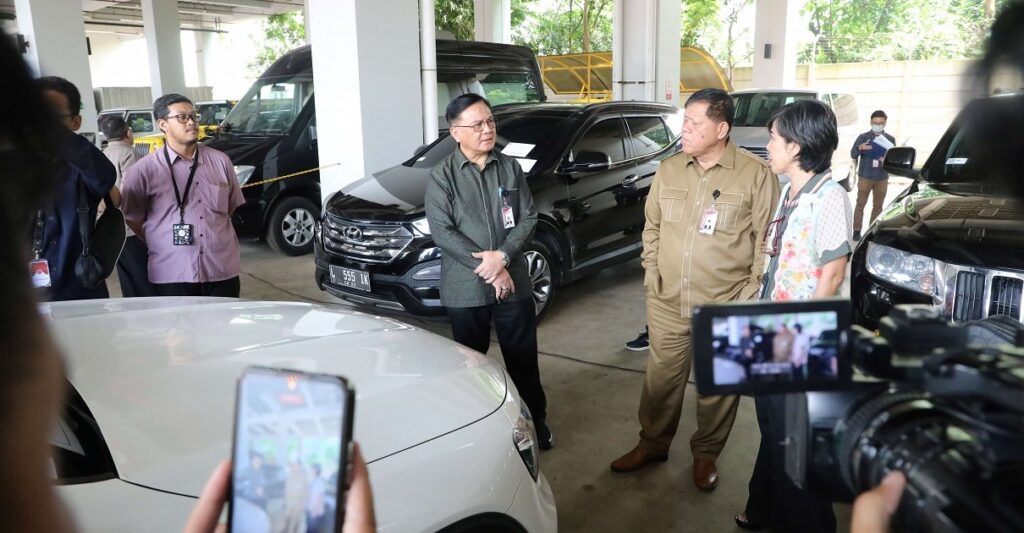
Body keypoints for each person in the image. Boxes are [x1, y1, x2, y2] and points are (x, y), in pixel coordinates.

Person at [610, 88, 780, 492]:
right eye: (684, 121)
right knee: (661, 381)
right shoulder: (669, 169)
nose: (684, 130)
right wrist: (652, 273)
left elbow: (767, 242)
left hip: (725, 302)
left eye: (694, 123)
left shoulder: (756, 175)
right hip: (668, 299)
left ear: (721, 129)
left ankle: (706, 454)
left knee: (718, 386)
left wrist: (749, 293)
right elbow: (652, 227)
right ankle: (652, 444)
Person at [735, 99, 852, 533]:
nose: (767, 146)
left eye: (773, 138)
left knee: (796, 440)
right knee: (773, 426)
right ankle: (763, 508)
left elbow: (832, 274)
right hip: (774, 328)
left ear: (796, 147)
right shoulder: (790, 191)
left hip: (800, 338)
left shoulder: (829, 197)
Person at [424, 93, 552, 449]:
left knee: (523, 360)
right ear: (456, 132)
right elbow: (443, 232)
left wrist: (505, 257)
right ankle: (476, 429)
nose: (487, 129)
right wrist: (492, 268)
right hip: (466, 287)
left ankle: (536, 422)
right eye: (477, 124)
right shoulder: (442, 176)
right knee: (471, 364)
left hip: (515, 282)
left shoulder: (509, 168)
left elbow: (528, 217)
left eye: (490, 121)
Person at [120, 93, 245, 297]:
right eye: (182, 117)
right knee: (179, 320)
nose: (191, 122)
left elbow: (229, 208)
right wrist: (161, 239)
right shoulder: (143, 170)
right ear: (163, 124)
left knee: (223, 319)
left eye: (193, 116)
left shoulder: (221, 162)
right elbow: (133, 219)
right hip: (172, 273)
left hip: (221, 270)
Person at [33, 76, 117, 302]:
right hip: (26, 296)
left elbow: (105, 179)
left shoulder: (84, 163)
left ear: (75, 122)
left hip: (80, 287)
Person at [99, 114, 155, 297]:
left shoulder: (101, 155)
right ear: (128, 132)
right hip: (132, 228)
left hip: (111, 228)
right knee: (143, 279)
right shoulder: (130, 154)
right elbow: (133, 192)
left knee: (127, 278)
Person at [849, 110, 896, 240]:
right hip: (865, 176)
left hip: (882, 178)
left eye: (880, 123)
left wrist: (886, 160)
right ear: (871, 122)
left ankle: (871, 232)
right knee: (860, 204)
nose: (878, 125)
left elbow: (893, 160)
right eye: (875, 123)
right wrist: (859, 148)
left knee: (878, 206)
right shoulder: (863, 137)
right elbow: (852, 154)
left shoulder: (890, 139)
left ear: (885, 123)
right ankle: (856, 230)